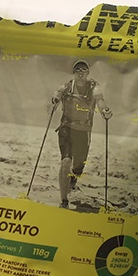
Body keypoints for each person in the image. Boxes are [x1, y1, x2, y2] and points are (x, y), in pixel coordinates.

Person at [51, 59, 112, 208]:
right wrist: (55, 99)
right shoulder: (67, 86)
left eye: (83, 69)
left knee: (78, 167)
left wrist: (104, 110)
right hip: (67, 128)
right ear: (74, 72)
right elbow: (57, 93)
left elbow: (100, 100)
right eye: (77, 69)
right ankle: (64, 200)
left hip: (83, 132)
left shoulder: (94, 87)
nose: (80, 72)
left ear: (88, 72)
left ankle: (73, 179)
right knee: (65, 161)